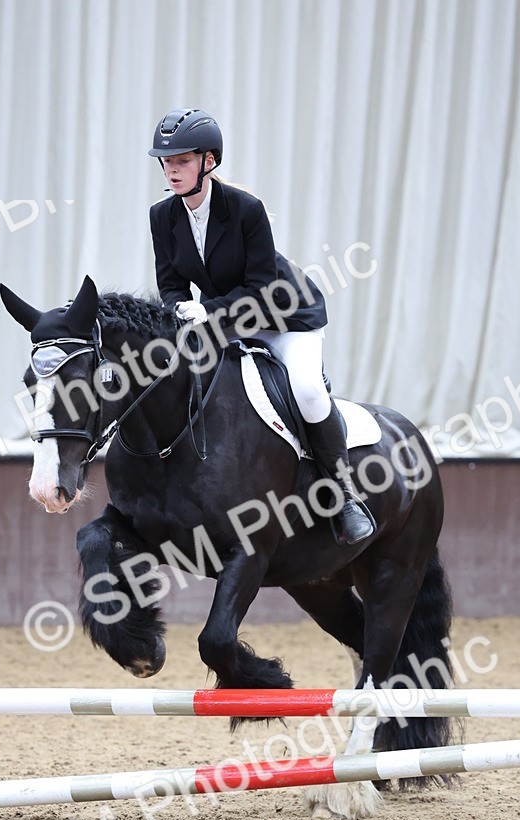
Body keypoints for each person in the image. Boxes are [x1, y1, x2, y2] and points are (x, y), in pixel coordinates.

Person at [148, 108, 375, 545]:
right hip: (228, 321)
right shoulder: (163, 216)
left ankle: (344, 494)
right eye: (166, 161)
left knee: (307, 392)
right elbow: (171, 284)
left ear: (208, 162)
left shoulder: (246, 210)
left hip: (285, 316)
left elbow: (262, 287)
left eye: (181, 161)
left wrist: (208, 310)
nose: (171, 170)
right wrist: (180, 311)